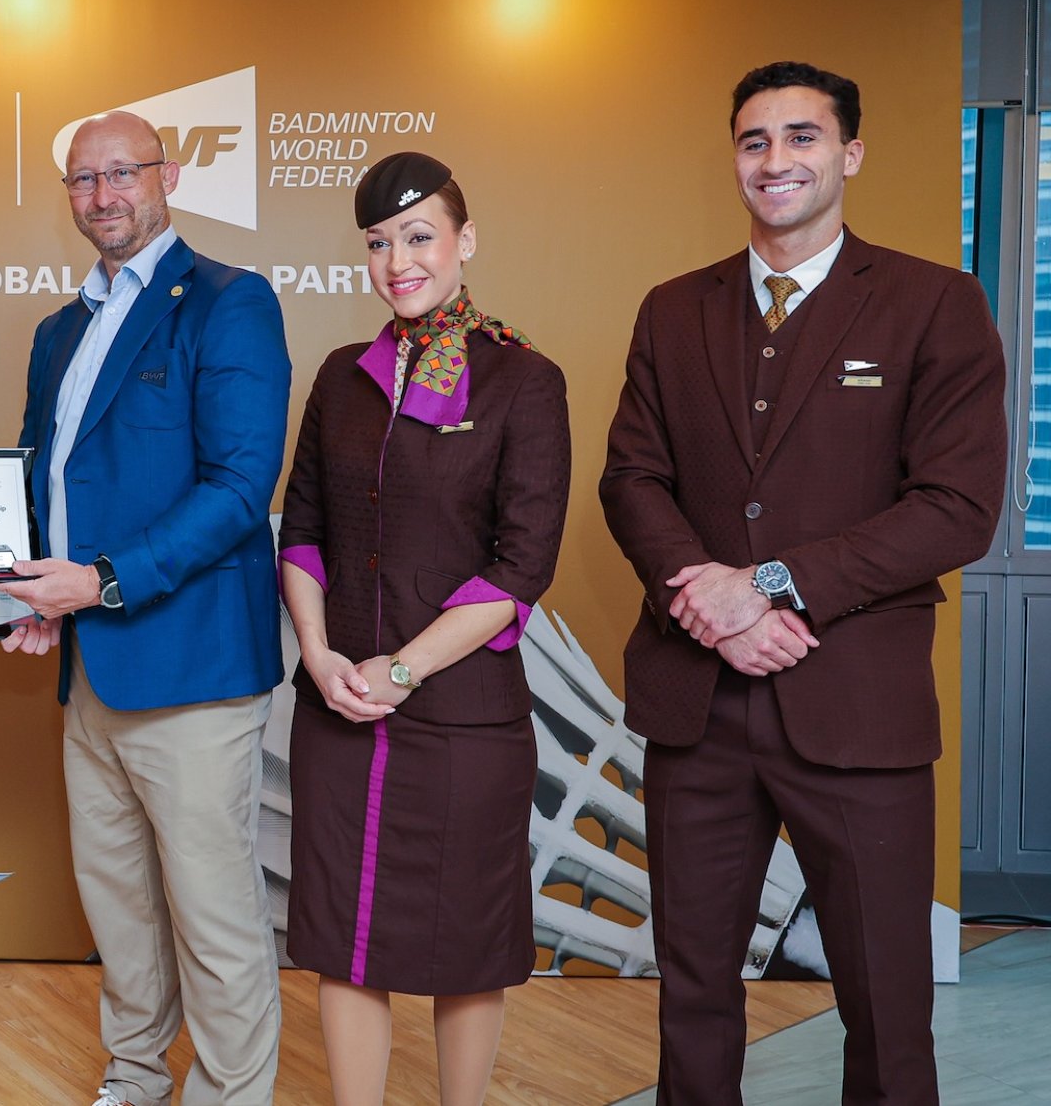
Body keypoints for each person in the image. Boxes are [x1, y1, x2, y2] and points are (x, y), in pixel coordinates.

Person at [599, 61, 1007, 1104]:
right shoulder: (671, 309)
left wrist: (770, 585)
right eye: (752, 141)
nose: (773, 160)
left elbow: (954, 508)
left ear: (847, 155)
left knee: (882, 995)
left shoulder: (933, 304)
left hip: (854, 710)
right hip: (698, 707)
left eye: (799, 137)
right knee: (691, 991)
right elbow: (632, 478)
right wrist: (710, 603)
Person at [0, 110, 291, 1106]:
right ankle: (132, 1078)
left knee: (212, 917)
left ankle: (228, 1094)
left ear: (165, 177)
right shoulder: (58, 332)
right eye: (82, 180)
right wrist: (37, 591)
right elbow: (48, 485)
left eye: (121, 173)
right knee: (119, 909)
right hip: (90, 671)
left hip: (193, 671)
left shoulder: (226, 301)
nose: (102, 194)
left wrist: (100, 580)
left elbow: (240, 483)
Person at [277, 152, 569, 1106]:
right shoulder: (342, 378)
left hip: (460, 717)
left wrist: (397, 672)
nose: (398, 260)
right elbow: (304, 531)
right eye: (378, 243)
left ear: (463, 240)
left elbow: (519, 569)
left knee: (464, 947)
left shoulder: (525, 381)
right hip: (337, 708)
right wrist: (320, 659)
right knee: (344, 941)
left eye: (418, 236)